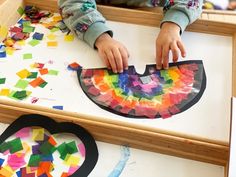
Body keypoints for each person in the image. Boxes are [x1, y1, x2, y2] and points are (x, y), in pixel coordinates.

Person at [58, 0, 203, 73]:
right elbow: (72, 3)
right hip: (99, 13)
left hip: (154, 12)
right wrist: (101, 37)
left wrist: (173, 24)